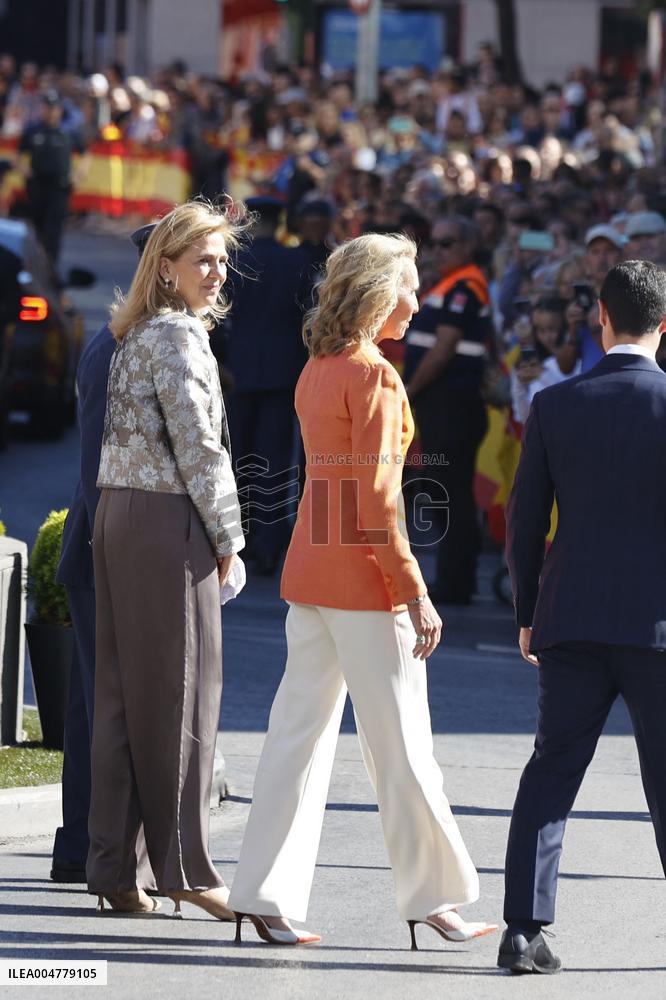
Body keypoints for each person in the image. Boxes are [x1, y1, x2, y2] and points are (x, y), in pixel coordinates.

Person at [228, 233, 497, 948]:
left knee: (294, 739)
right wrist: (415, 591)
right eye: (408, 287)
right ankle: (434, 899)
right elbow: (378, 503)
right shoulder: (373, 376)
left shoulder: (318, 367)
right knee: (403, 745)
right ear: (377, 293)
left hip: (310, 573)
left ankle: (261, 894)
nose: (417, 301)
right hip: (364, 584)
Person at [498, 260, 666, 974]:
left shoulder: (555, 402)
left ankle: (521, 930)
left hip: (570, 612)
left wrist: (528, 611)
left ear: (600, 318)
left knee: (552, 770)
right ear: (665, 325)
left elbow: (524, 519)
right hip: (657, 622)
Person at [87, 200, 245, 916]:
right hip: (162, 520)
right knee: (186, 694)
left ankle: (118, 870)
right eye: (201, 260)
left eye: (220, 259)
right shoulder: (180, 336)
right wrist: (230, 538)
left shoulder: (137, 331)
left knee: (124, 696)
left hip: (119, 513)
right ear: (168, 267)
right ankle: (185, 868)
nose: (215, 272)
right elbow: (200, 450)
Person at [51, 224, 154, 884]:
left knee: (95, 703)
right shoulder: (120, 345)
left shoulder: (138, 340)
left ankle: (84, 843)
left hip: (105, 548)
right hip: (106, 551)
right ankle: (97, 846)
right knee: (107, 704)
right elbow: (97, 466)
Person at [403, 216, 492, 605]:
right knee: (445, 488)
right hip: (442, 403)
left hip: (452, 402)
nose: (437, 251)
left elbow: (443, 349)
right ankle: (456, 577)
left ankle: (456, 581)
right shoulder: (445, 284)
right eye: (432, 243)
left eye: (446, 243)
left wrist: (410, 389)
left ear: (466, 248)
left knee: (449, 491)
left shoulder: (465, 287)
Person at [224, 196, 309, 576]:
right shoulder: (297, 263)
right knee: (275, 465)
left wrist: (219, 364)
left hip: (235, 376)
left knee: (234, 461)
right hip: (282, 377)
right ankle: (269, 544)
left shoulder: (233, 261)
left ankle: (232, 538)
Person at [16, 89, 86, 264]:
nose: (50, 111)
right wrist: (25, 171)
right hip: (37, 186)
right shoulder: (33, 130)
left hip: (60, 187)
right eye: (47, 107)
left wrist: (79, 174)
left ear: (59, 109)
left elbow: (86, 153)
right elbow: (18, 155)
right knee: (37, 229)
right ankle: (34, 266)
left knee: (54, 231)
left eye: (54, 107)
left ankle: (51, 268)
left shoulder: (68, 131)